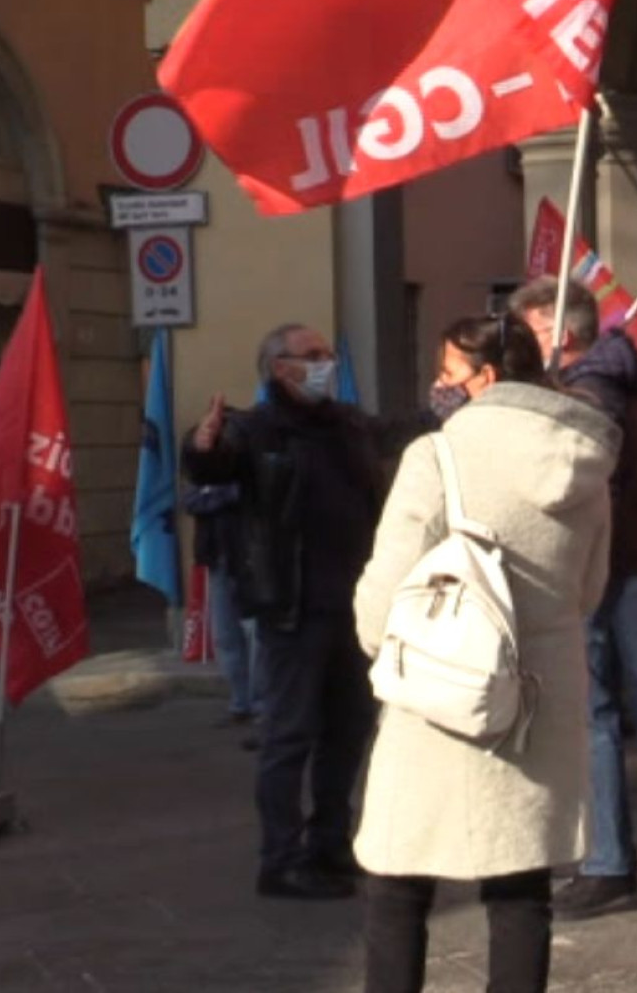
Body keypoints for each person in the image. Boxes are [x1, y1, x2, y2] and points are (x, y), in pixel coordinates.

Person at [353, 313, 618, 993]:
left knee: (397, 881)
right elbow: (589, 588)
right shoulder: (584, 459)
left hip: (443, 687)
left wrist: (382, 644)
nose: (440, 386)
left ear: (487, 377)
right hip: (538, 693)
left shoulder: (435, 456)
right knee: (520, 885)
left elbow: (384, 592)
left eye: (447, 373)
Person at [183, 323, 421, 901]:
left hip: (354, 606)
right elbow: (211, 460)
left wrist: (448, 405)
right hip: (291, 608)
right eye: (311, 356)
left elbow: (394, 432)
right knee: (289, 737)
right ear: (279, 368)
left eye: (326, 354)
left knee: (348, 731)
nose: (325, 363)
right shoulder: (256, 430)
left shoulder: (345, 424)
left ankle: (330, 842)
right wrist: (202, 443)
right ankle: (281, 859)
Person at [508, 280, 637, 920]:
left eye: (532, 330)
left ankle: (611, 856)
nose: (525, 343)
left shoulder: (598, 394)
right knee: (598, 707)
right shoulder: (559, 390)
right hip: (594, 559)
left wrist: (612, 499)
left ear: (562, 330)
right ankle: (607, 849)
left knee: (609, 701)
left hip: (610, 561)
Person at [186, 482, 263, 737]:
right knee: (225, 634)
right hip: (217, 558)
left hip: (250, 558)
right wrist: (218, 496)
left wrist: (213, 496)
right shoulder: (203, 468)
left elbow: (244, 494)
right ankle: (240, 703)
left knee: (255, 634)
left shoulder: (246, 463)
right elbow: (190, 501)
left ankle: (261, 704)